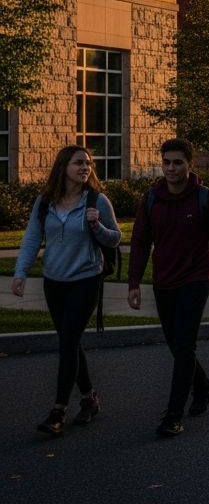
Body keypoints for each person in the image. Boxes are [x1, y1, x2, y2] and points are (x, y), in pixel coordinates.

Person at [11, 146, 121, 437]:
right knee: (69, 341)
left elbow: (115, 239)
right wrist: (21, 273)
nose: (85, 167)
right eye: (78, 163)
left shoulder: (97, 200)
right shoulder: (45, 201)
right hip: (53, 281)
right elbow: (32, 238)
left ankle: (58, 410)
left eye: (88, 163)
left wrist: (96, 225)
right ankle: (89, 399)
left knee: (68, 342)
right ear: (63, 167)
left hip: (86, 279)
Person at [127, 138, 209, 436]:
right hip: (163, 282)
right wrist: (134, 283)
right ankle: (204, 388)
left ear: (190, 164)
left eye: (177, 162)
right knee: (177, 345)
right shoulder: (150, 199)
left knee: (185, 344)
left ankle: (173, 415)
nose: (171, 168)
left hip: (195, 280)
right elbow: (139, 243)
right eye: (167, 162)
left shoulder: (206, 199)